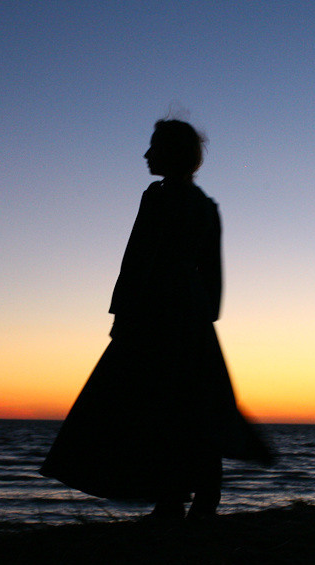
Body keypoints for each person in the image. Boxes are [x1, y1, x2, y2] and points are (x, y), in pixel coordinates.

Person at [40, 119, 272, 520]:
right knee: (189, 403)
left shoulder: (158, 198)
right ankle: (196, 499)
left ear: (171, 153)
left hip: (155, 310)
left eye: (154, 147)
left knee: (150, 402)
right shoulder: (205, 206)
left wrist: (123, 312)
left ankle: (174, 501)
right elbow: (212, 278)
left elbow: (137, 259)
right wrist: (202, 316)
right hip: (190, 315)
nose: (146, 155)